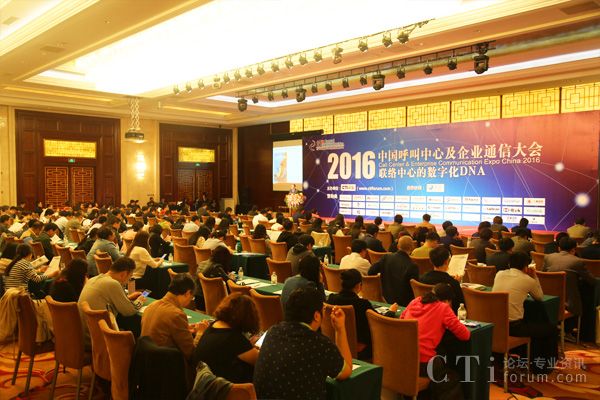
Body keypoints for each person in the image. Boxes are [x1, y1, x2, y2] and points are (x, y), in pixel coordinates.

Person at [253, 287, 352, 400]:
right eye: (323, 309)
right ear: (316, 316)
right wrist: (340, 329)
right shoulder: (320, 344)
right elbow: (345, 372)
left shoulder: (272, 332)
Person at [401, 283, 470, 399]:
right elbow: (465, 335)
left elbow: (402, 319)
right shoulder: (443, 308)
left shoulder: (415, 301)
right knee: (451, 373)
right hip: (424, 363)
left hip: (404, 358)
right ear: (447, 301)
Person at [493, 252, 557, 373]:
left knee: (529, 320)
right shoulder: (528, 280)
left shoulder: (499, 274)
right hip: (514, 327)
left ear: (509, 264)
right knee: (551, 328)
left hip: (496, 324)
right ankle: (543, 367)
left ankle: (522, 356)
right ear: (526, 267)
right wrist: (534, 276)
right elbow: (539, 297)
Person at [327, 269, 398, 359]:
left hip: (335, 344)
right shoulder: (362, 304)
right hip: (359, 349)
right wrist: (391, 312)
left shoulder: (331, 299)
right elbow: (379, 322)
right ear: (358, 285)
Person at [193, 293, 260, 383]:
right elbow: (261, 361)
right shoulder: (233, 338)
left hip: (204, 382)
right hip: (225, 387)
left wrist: (247, 345)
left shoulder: (214, 325)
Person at [79, 257, 145, 337]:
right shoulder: (112, 283)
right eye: (130, 276)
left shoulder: (93, 279)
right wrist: (140, 300)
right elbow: (129, 311)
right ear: (123, 274)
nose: (128, 281)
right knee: (135, 324)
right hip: (100, 335)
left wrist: (128, 298)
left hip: (86, 333)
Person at [141, 273, 198, 362]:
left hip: (146, 361)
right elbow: (191, 353)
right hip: (166, 364)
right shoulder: (177, 314)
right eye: (192, 297)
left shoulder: (151, 306)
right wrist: (200, 334)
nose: (190, 301)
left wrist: (185, 328)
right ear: (187, 293)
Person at [368, 236, 418, 306]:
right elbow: (415, 290)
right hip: (404, 304)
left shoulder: (386, 257)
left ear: (398, 246)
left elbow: (370, 272)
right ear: (412, 247)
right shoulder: (412, 266)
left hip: (385, 300)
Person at [419, 246, 464, 313]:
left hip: (425, 312)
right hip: (445, 316)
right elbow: (460, 305)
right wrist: (457, 284)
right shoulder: (451, 283)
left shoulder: (422, 278)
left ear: (431, 261)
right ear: (446, 262)